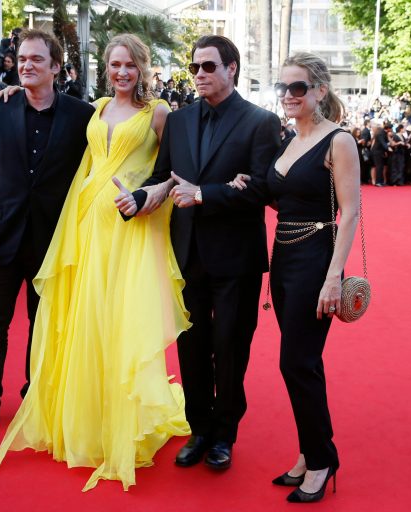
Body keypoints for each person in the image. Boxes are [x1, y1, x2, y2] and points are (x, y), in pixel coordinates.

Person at [0, 33, 190, 491]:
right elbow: (45, 105)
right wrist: (5, 90)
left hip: (131, 232)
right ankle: (87, 418)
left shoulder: (158, 114)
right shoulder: (97, 108)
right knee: (86, 321)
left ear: (142, 68)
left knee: (119, 322)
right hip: (86, 229)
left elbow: (173, 170)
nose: (121, 72)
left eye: (129, 65)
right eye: (115, 65)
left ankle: (120, 422)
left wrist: (146, 198)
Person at [119, 35, 280, 471]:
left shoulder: (260, 122)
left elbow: (263, 189)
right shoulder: (179, 120)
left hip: (236, 259)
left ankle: (225, 433)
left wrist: (206, 194)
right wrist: (139, 197)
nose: (199, 75)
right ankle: (199, 429)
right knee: (191, 348)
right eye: (194, 68)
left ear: (232, 68)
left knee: (230, 348)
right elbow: (163, 177)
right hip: (186, 254)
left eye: (208, 66)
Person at [0, 30, 95, 438]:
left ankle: (38, 399)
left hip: (54, 241)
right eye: (22, 58)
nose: (27, 65)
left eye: (37, 59)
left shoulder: (81, 115)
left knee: (44, 323)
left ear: (56, 67)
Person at [233, 52, 359, 503]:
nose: (288, 96)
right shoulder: (290, 141)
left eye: (298, 88)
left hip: (315, 262)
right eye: (282, 88)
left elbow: (350, 213)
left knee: (297, 363)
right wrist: (243, 184)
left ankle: (322, 461)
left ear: (320, 91)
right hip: (284, 260)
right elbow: (280, 197)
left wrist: (333, 277)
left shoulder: (337, 141)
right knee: (304, 364)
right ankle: (312, 452)